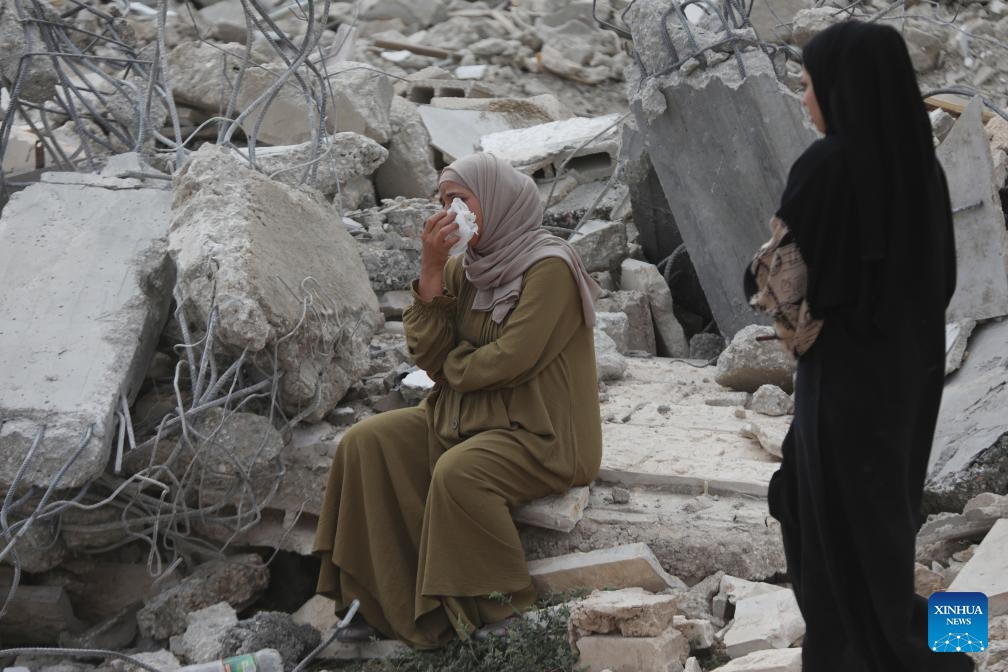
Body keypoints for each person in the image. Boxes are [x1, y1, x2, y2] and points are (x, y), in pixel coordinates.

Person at [747, 21, 975, 672]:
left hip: (841, 383)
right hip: (908, 378)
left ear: (844, 90)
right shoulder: (922, 168)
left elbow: (783, 281)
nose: (803, 98)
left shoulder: (824, 166)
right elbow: (944, 279)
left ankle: (872, 657)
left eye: (810, 85)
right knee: (883, 523)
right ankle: (944, 639)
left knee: (828, 532)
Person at [313, 152, 604, 648]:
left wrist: (450, 367)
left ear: (495, 200)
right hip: (463, 417)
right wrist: (429, 273)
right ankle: (372, 600)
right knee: (364, 441)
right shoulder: (461, 269)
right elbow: (426, 352)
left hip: (542, 434)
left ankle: (502, 612)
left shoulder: (549, 268)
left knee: (460, 473)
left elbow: (513, 358)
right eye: (443, 202)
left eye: (462, 200)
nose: (452, 213)